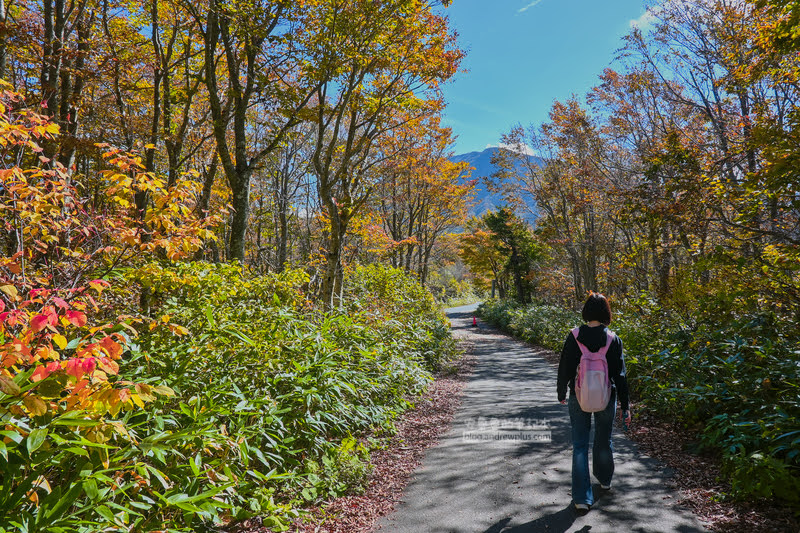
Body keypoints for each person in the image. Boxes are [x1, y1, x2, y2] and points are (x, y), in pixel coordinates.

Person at [557, 292, 631, 512]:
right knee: (603, 439)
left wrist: (562, 392)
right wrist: (626, 406)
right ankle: (604, 479)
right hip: (606, 397)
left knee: (580, 445)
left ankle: (581, 498)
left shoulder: (574, 336)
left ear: (586, 311)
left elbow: (565, 368)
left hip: (578, 396)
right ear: (606, 312)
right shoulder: (613, 339)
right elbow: (621, 375)